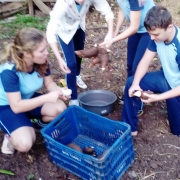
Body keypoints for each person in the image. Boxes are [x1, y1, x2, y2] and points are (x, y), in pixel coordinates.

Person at [0, 28, 70, 155]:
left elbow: (49, 83)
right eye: (41, 51)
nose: (47, 53)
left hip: (28, 98)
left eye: (46, 48)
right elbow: (16, 106)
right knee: (25, 144)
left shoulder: (41, 61)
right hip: (7, 106)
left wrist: (58, 91)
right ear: (27, 53)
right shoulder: (9, 72)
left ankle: (35, 124)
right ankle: (10, 136)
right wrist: (47, 98)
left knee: (60, 108)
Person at [122, 6, 180, 136]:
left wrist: (158, 97)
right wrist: (136, 83)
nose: (152, 38)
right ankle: (130, 129)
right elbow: (144, 62)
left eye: (155, 34)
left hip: (177, 89)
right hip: (166, 79)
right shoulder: (157, 37)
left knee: (177, 132)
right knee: (131, 83)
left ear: (169, 27)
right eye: (150, 34)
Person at [46, 0, 114, 106]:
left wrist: (110, 33)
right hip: (64, 31)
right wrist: (59, 58)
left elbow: (107, 11)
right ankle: (73, 98)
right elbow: (50, 32)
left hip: (79, 27)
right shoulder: (62, 4)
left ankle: (77, 76)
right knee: (71, 63)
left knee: (79, 56)